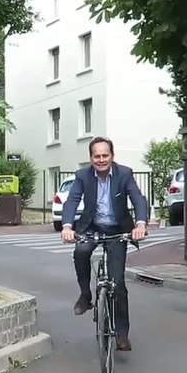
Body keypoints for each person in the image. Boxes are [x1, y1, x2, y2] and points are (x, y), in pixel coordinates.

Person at [60, 136, 148, 351]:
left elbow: (137, 198)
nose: (101, 160)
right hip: (91, 227)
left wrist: (140, 224)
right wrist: (67, 227)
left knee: (118, 283)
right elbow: (72, 200)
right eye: (96, 156)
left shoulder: (124, 174)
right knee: (80, 251)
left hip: (117, 229)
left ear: (112, 156)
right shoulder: (82, 176)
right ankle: (86, 294)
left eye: (105, 155)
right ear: (91, 158)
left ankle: (121, 334)